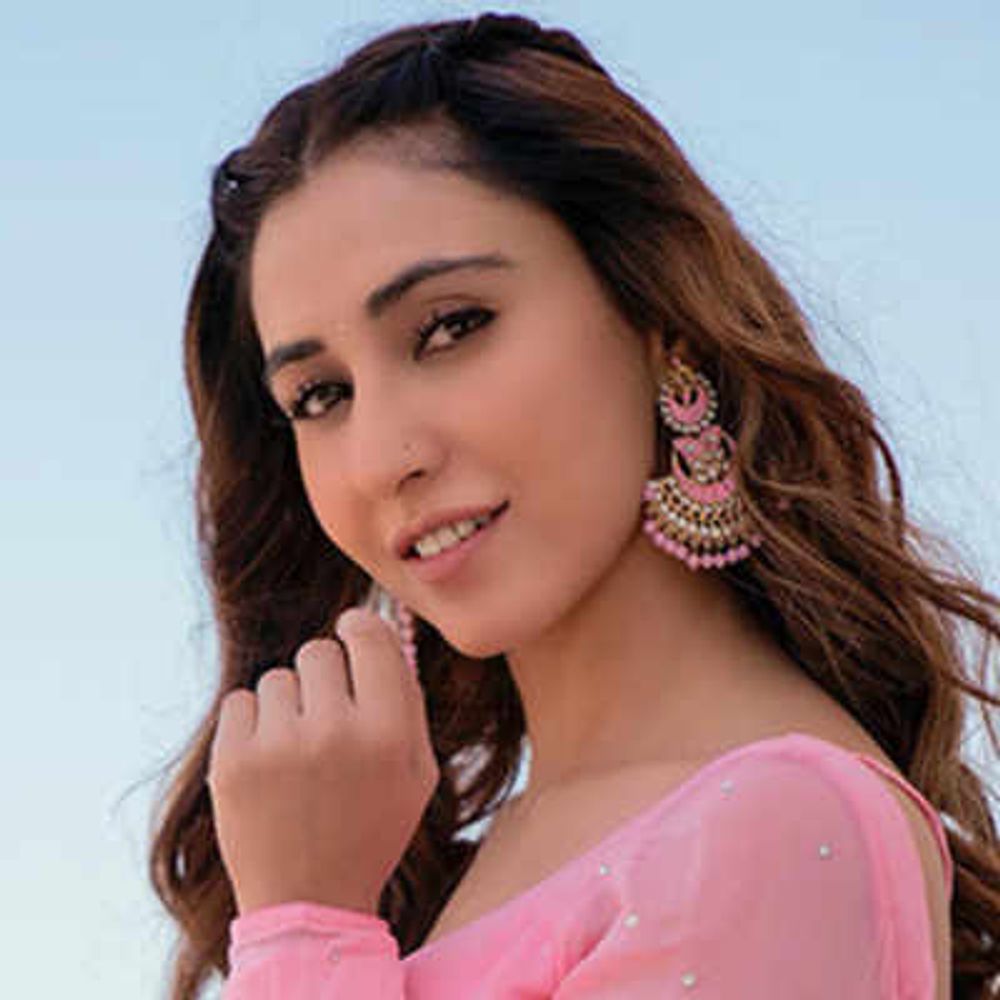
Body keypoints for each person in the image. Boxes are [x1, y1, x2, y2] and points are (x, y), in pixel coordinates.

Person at [149, 12, 1000, 999]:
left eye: (451, 327)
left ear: (659, 320)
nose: (382, 458)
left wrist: (305, 931)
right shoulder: (450, 868)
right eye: (320, 396)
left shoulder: (778, 824)